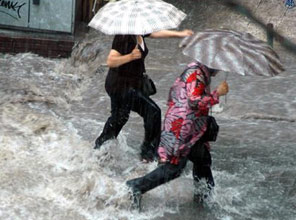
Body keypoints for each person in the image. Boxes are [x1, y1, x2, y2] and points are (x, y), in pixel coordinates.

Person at [126, 61, 229, 209]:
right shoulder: (196, 73)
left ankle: (204, 198)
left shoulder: (201, 73)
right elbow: (195, 102)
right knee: (174, 168)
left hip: (192, 129)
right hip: (181, 129)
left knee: (203, 159)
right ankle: (136, 186)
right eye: (219, 66)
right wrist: (217, 93)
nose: (220, 69)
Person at [94, 30, 194, 163]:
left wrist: (180, 34)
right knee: (153, 112)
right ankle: (148, 154)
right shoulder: (124, 36)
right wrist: (130, 56)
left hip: (129, 85)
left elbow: (156, 33)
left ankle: (99, 149)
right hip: (121, 86)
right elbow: (111, 61)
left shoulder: (139, 32)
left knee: (119, 118)